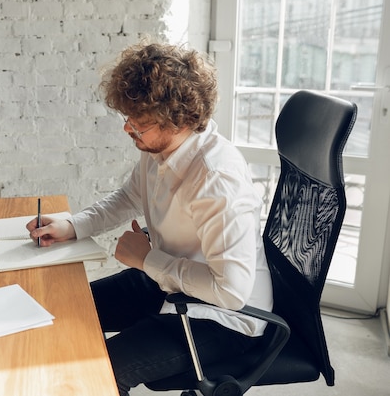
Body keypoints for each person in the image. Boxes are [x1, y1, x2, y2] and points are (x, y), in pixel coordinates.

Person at [26, 41, 273, 396]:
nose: (128, 128)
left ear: (180, 119)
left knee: (96, 374)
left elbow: (231, 292)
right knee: (61, 310)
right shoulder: (160, 150)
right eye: (128, 118)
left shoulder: (216, 179)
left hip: (224, 317)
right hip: (171, 280)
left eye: (139, 122)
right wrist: (73, 225)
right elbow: (129, 196)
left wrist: (146, 259)